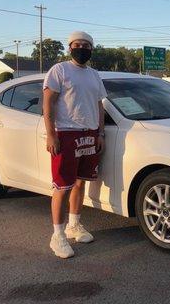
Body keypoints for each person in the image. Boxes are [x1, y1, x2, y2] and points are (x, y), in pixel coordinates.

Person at [42, 31, 106, 259]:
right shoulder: (59, 70)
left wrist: (100, 133)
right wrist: (51, 135)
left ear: (91, 49)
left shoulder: (94, 75)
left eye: (87, 45)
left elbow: (99, 105)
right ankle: (57, 236)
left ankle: (74, 225)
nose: (82, 48)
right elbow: (48, 103)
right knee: (62, 186)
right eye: (78, 44)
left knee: (80, 182)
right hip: (66, 133)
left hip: (89, 133)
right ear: (70, 47)